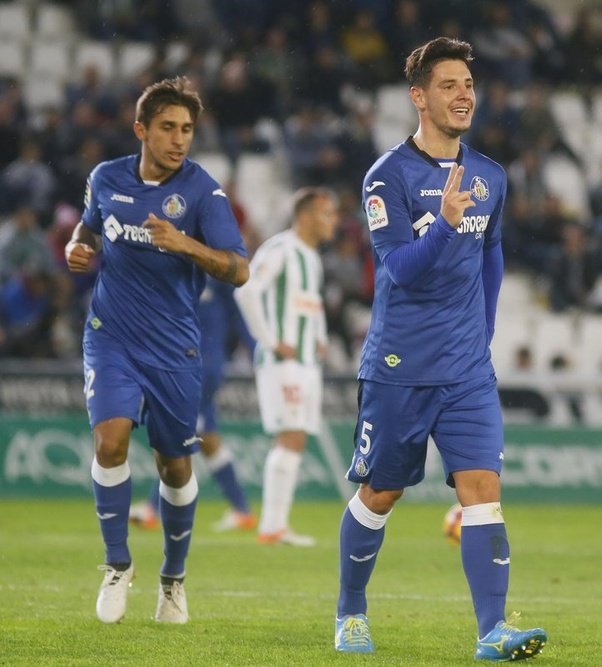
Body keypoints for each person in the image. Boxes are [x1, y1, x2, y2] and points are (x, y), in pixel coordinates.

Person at [334, 37, 547, 660]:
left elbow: (492, 259)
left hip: (466, 372)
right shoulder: (387, 177)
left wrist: (478, 339)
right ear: (419, 96)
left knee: (482, 488)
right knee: (381, 494)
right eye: (450, 85)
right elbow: (399, 270)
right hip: (400, 367)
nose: (464, 96)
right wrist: (447, 221)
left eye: (469, 85)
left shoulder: (490, 176)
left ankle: (492, 631)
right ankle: (350, 612)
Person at [64, 76, 249, 625]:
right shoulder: (106, 177)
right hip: (111, 335)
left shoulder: (203, 192)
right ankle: (117, 564)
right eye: (168, 128)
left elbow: (240, 268)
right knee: (111, 440)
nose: (179, 139)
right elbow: (91, 227)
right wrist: (79, 244)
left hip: (174, 349)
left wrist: (184, 242)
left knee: (174, 466)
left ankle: (173, 579)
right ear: (141, 129)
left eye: (187, 129)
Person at [234, 187, 338, 547]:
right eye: (327, 213)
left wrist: (321, 336)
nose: (334, 221)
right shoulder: (281, 249)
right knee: (290, 435)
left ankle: (277, 525)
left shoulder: (311, 257)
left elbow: (311, 303)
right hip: (285, 360)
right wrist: (268, 339)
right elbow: (245, 290)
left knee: (297, 438)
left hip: (308, 360)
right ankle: (272, 526)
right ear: (306, 215)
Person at [128, 274, 259, 533]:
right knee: (206, 438)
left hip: (203, 366)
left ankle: (153, 508)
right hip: (184, 363)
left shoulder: (218, 275)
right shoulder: (178, 271)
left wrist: (256, 352)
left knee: (182, 432)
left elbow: (240, 312)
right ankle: (242, 510)